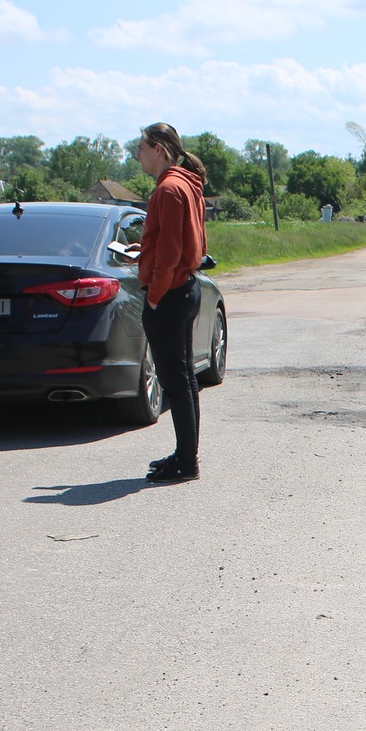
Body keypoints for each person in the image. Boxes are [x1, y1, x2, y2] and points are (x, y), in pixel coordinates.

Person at [133, 123, 207, 484]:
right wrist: (143, 252)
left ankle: (187, 462)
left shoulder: (169, 188)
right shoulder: (186, 184)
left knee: (175, 381)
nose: (137, 155)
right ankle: (184, 454)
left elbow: (172, 253)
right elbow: (175, 243)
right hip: (185, 287)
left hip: (171, 292)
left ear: (160, 148)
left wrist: (154, 295)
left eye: (141, 147)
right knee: (184, 379)